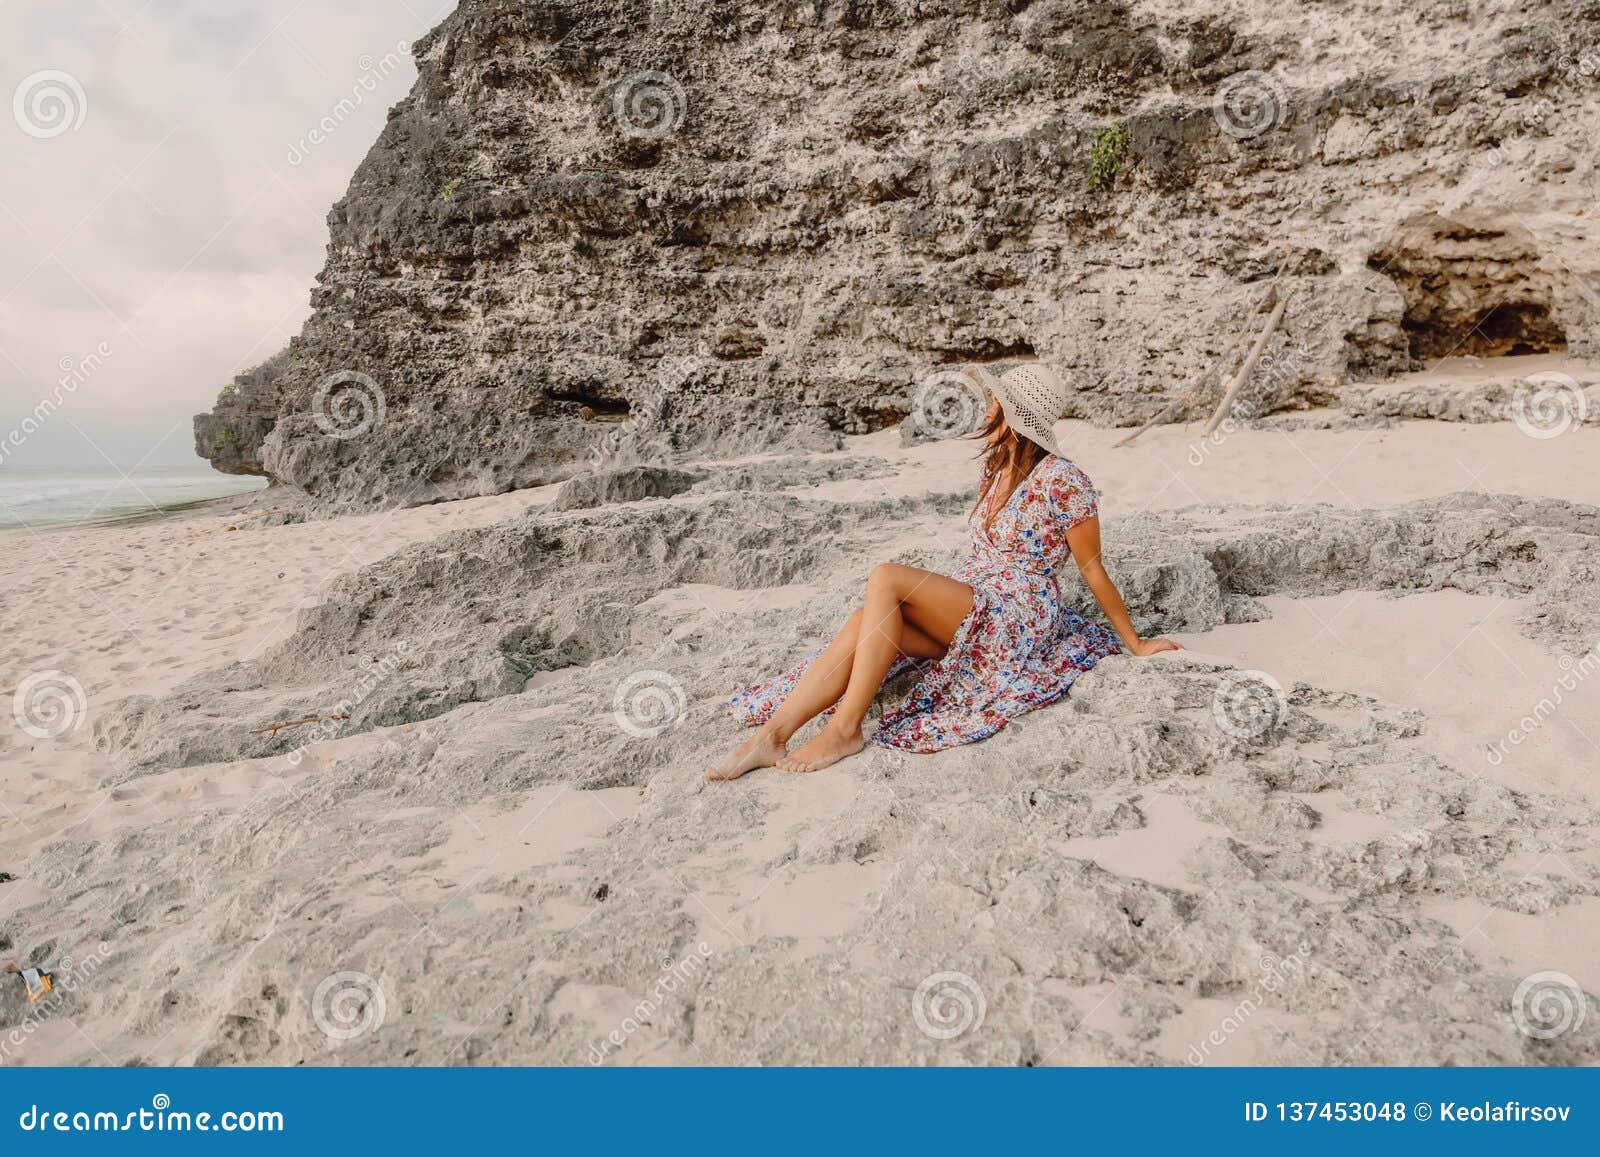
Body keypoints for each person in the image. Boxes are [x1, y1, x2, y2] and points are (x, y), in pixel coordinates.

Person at [706, 362, 1179, 781]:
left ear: (1015, 415)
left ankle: (844, 729)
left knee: (886, 578)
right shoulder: (996, 468)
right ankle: (772, 736)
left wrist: (1134, 642)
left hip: (1015, 616)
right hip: (975, 602)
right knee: (864, 624)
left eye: (997, 402)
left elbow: (1093, 569)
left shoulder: (1065, 481)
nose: (988, 407)